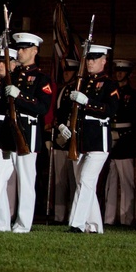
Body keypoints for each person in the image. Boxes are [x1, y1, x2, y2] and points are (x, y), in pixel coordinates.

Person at [0, 32, 51, 233]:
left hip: (26, 133)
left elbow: (43, 107)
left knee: (25, 180)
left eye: (24, 48)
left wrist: (20, 95)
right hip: (7, 134)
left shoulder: (41, 78)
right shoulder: (10, 76)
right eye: (19, 48)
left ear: (34, 50)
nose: (21, 51)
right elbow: (0, 106)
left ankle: (23, 225)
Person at [61, 43, 120, 234]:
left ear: (104, 61)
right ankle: (94, 226)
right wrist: (62, 125)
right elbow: (66, 109)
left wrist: (87, 101)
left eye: (95, 59)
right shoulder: (82, 82)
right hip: (81, 140)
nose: (90, 62)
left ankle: (77, 224)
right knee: (84, 183)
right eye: (89, 59)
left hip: (98, 140)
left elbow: (110, 110)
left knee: (86, 180)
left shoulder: (110, 84)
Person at [104, 58, 136, 225]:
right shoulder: (112, 92)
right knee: (110, 182)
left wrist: (122, 135)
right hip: (110, 138)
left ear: (129, 74)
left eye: (122, 71)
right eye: (117, 71)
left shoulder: (135, 95)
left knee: (126, 183)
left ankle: (126, 219)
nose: (119, 74)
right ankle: (108, 218)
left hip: (125, 142)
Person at [49, 58, 80, 224]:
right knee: (60, 181)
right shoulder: (63, 90)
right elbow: (58, 112)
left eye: (69, 71)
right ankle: (59, 215)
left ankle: (74, 214)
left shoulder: (78, 89)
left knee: (74, 179)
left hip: (73, 139)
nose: (66, 74)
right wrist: (60, 128)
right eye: (65, 71)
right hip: (61, 138)